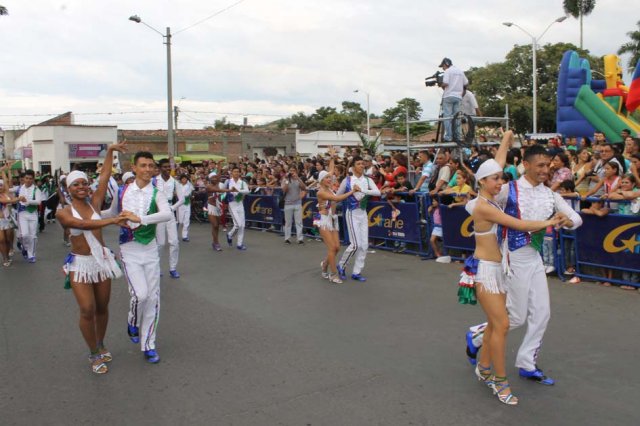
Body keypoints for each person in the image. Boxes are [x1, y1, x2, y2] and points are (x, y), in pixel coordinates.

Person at [465, 131, 583, 386]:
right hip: (511, 259)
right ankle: (476, 336)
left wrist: (567, 220)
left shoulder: (550, 194)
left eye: (548, 165)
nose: (545, 170)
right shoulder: (508, 190)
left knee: (542, 312)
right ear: (525, 165)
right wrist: (505, 143)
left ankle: (527, 363)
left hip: (535, 259)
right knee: (515, 317)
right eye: (540, 165)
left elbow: (576, 218)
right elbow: (488, 183)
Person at [461, 159, 560, 405]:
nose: (501, 183)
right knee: (503, 324)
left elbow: (496, 162)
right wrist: (549, 222)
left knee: (497, 326)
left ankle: (484, 367)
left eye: (501, 178)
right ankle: (500, 380)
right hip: (485, 271)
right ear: (481, 181)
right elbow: (520, 225)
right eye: (495, 179)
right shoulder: (484, 207)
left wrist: (506, 139)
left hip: (499, 269)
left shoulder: (492, 199)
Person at [56, 142, 129, 374]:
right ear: (68, 189)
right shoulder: (63, 212)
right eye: (76, 184)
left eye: (84, 183)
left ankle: (100, 342)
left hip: (102, 261)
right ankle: (93, 353)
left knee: (102, 307)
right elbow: (82, 224)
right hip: (80, 264)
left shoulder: (95, 201)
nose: (81, 186)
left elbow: (105, 176)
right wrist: (111, 220)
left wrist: (110, 151)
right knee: (87, 309)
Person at [118, 151, 173, 363]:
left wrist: (140, 218)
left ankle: (149, 344)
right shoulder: (123, 191)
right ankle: (133, 321)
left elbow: (167, 214)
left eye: (151, 166)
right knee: (139, 295)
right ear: (134, 167)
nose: (148, 169)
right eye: (143, 165)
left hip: (150, 249)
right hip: (129, 249)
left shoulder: (156, 193)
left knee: (153, 298)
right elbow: (109, 212)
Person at [336, 156, 381, 281]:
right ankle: (341, 265)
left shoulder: (368, 180)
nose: (362, 165)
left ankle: (357, 272)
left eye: (363, 164)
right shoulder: (348, 180)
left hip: (363, 213)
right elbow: (337, 195)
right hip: (352, 213)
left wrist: (364, 190)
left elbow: (378, 192)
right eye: (359, 164)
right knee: (355, 244)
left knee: (364, 245)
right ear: (353, 166)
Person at [316, 170, 359, 284]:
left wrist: (332, 157)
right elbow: (337, 199)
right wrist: (352, 191)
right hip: (324, 221)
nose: (329, 179)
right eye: (326, 178)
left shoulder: (329, 189)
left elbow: (331, 170)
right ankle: (333, 274)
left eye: (330, 178)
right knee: (331, 248)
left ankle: (325, 265)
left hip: (333, 219)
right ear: (321, 180)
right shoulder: (321, 192)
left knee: (337, 248)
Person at [438, 57, 468, 142]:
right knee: (457, 117)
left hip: (448, 96)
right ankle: (457, 136)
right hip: (458, 96)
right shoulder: (460, 71)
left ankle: (449, 136)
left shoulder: (448, 71)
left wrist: (441, 85)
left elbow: (446, 83)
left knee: (447, 117)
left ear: (446, 64)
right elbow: (466, 83)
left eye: (443, 66)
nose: (443, 68)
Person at [17, 169, 43, 263]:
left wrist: (27, 201)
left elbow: (38, 201)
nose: (28, 180)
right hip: (22, 214)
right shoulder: (19, 188)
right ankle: (24, 247)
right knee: (24, 235)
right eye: (26, 178)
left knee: (32, 236)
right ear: (23, 178)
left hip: (32, 214)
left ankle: (31, 254)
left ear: (33, 179)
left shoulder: (36, 189)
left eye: (30, 179)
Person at [225, 166, 250, 250]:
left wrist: (238, 191)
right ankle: (230, 234)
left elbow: (247, 191)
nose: (236, 173)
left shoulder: (243, 182)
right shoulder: (228, 182)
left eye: (237, 171)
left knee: (242, 225)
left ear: (240, 173)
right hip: (232, 204)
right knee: (238, 224)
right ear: (231, 173)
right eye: (234, 171)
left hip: (240, 204)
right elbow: (225, 191)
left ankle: (239, 244)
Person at [282, 167, 307, 245]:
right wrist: (287, 180)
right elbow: (284, 190)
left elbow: (304, 188)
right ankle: (287, 238)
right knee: (288, 222)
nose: (292, 172)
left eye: (293, 171)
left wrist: (298, 178)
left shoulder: (298, 179)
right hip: (288, 204)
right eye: (290, 171)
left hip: (297, 203)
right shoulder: (285, 180)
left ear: (296, 172)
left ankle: (300, 239)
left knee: (299, 222)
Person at [206, 173, 231, 251]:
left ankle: (214, 242)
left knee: (216, 227)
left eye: (215, 177)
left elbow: (219, 176)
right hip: (211, 207)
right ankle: (216, 243)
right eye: (212, 177)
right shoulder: (208, 186)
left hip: (218, 207)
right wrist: (229, 190)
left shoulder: (218, 183)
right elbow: (218, 190)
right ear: (210, 179)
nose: (214, 178)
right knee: (215, 225)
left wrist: (219, 165)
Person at [0, 164, 19, 267]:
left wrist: (3, 171)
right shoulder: (3, 197)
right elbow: (5, 201)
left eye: (1, 185)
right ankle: (5, 258)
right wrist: (17, 199)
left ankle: (9, 251)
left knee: (7, 239)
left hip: (7, 219)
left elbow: (8, 182)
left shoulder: (6, 193)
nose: (0, 187)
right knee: (1, 240)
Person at [176, 174, 194, 242]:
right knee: (180, 221)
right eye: (183, 179)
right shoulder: (178, 185)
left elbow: (191, 191)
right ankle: (175, 235)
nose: (184, 180)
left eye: (185, 179)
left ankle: (185, 236)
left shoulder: (189, 185)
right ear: (181, 180)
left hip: (187, 204)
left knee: (186, 220)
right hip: (180, 205)